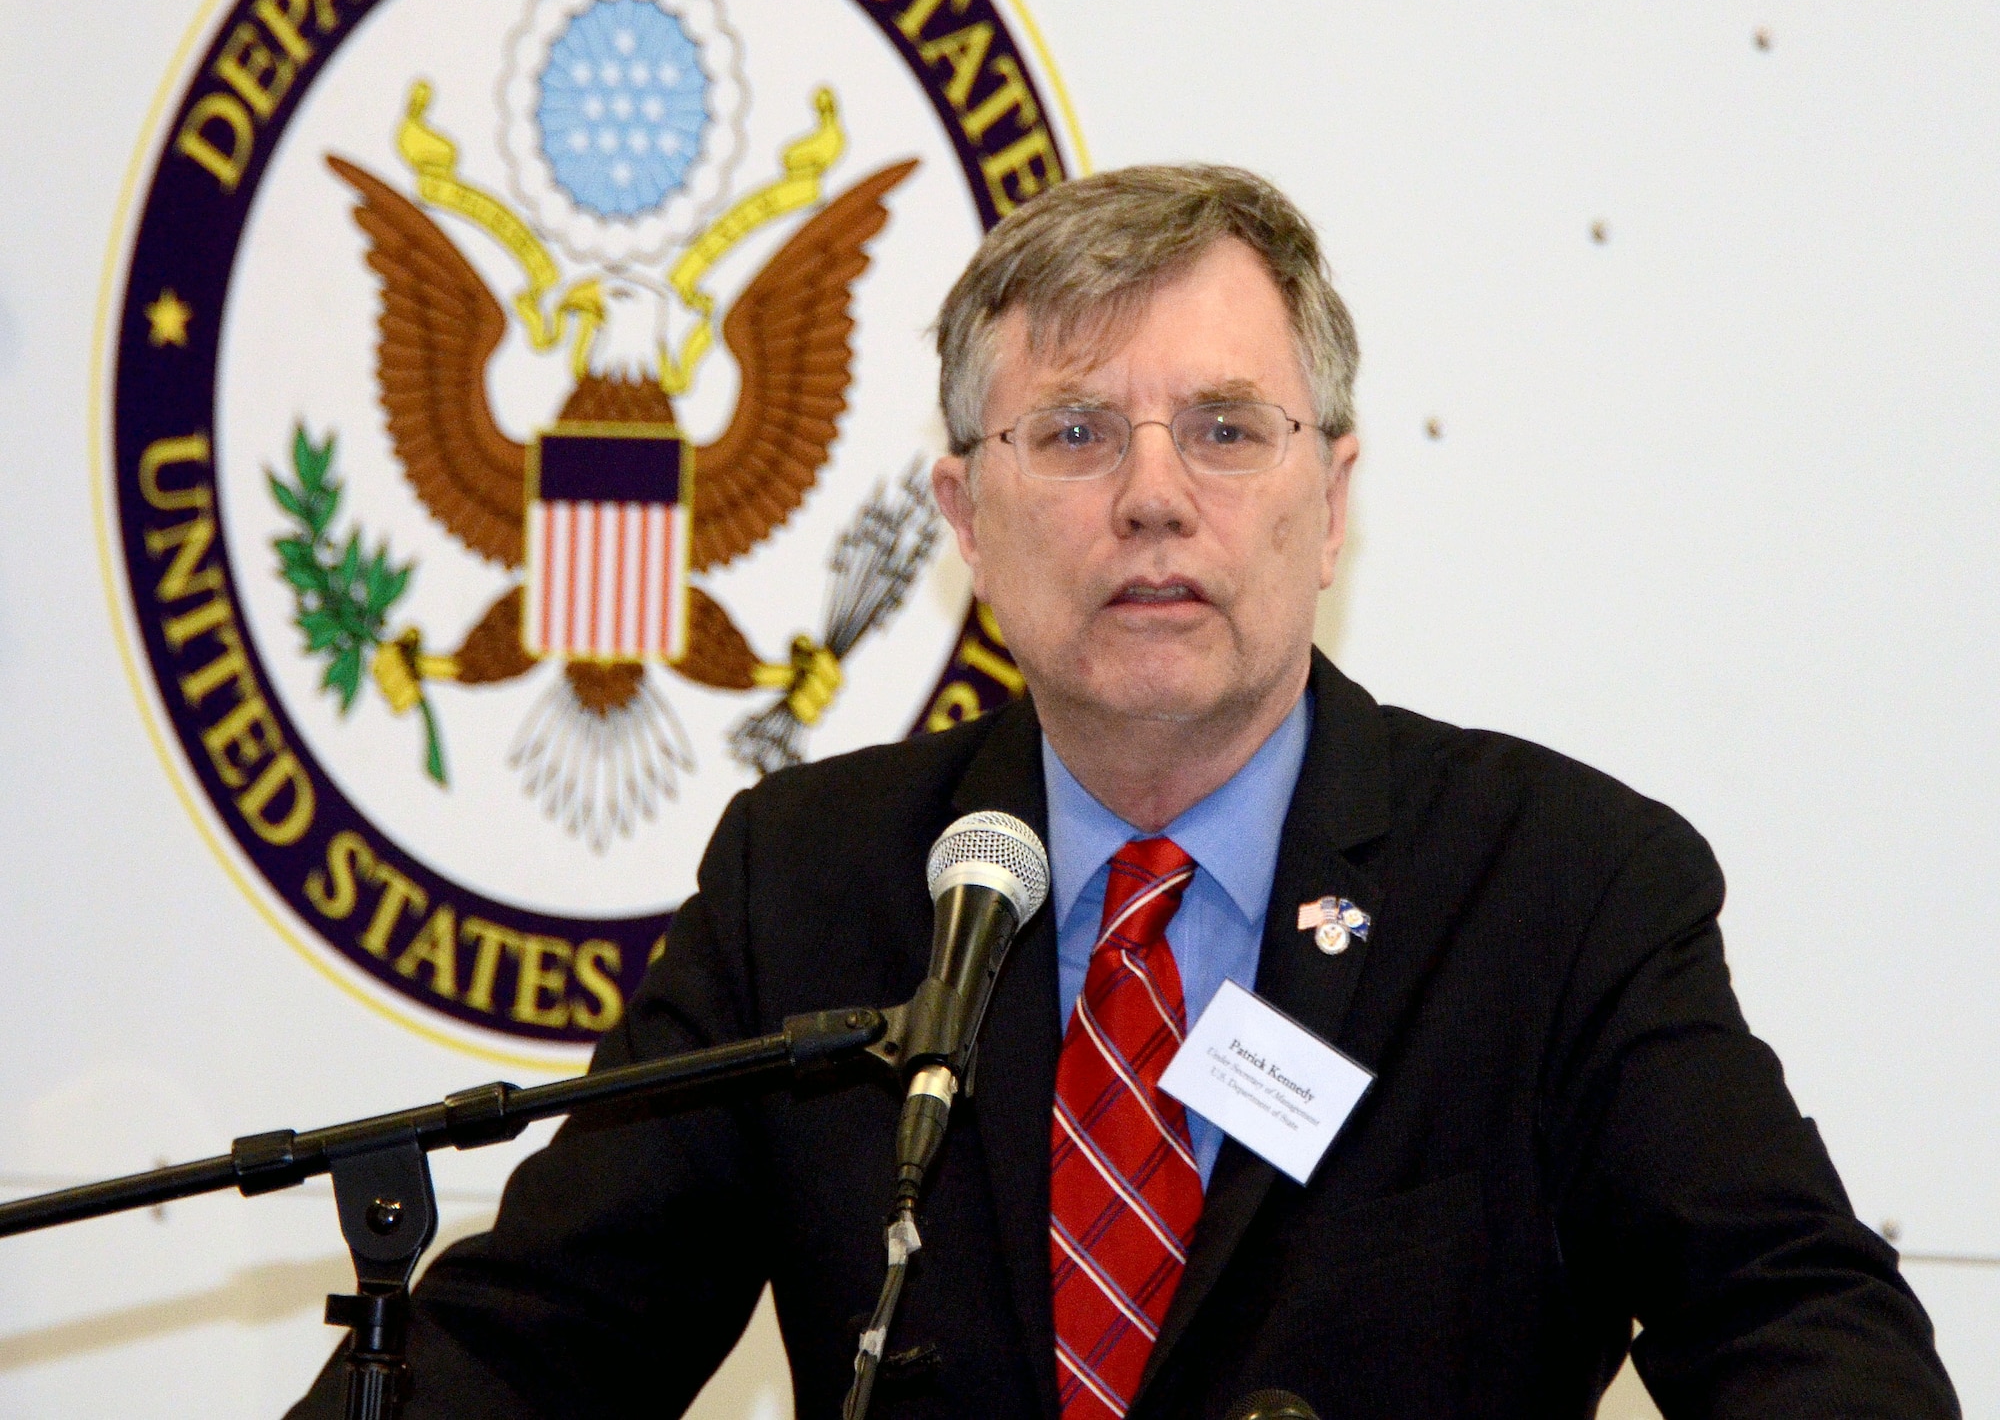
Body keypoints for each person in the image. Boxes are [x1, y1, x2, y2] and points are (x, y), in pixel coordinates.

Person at [291, 166, 1958, 1418]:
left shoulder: (1562, 887)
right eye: (1076, 434)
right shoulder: (811, 882)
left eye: (1228, 430)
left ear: (1334, 494)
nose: (1154, 498)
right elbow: (530, 1349)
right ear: (962, 512)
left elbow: (1804, 1331)